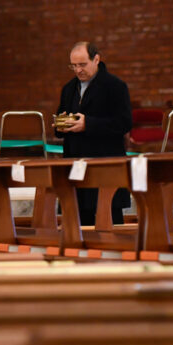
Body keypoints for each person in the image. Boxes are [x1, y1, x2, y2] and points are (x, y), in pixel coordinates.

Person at [55, 41, 132, 226]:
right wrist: (60, 125)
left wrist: (88, 124)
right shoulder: (69, 88)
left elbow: (124, 123)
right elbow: (60, 121)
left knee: (112, 226)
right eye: (73, 66)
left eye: (82, 64)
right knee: (78, 226)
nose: (78, 70)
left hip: (105, 164)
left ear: (96, 59)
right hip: (76, 164)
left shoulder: (115, 86)